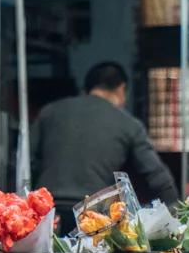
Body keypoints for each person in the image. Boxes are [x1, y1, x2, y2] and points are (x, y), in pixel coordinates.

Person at [31, 61, 179, 223]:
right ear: (122, 89)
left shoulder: (49, 112)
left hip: (46, 211)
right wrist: (175, 216)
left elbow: (28, 161)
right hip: (92, 215)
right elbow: (157, 177)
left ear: (87, 88)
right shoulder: (127, 123)